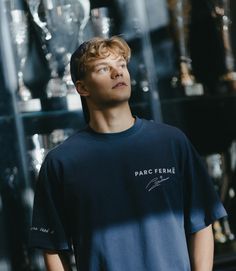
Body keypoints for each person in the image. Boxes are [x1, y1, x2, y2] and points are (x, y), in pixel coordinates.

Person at [29, 36, 227, 271]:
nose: (118, 73)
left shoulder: (171, 142)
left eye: (122, 65)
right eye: (104, 68)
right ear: (82, 87)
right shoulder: (61, 161)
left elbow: (201, 222)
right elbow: (52, 247)